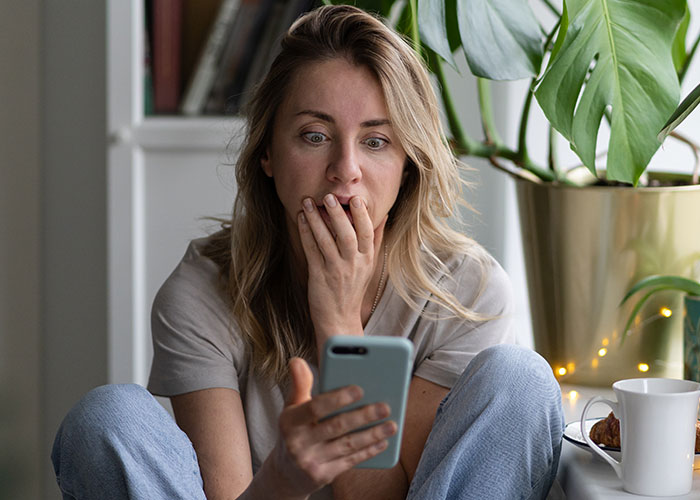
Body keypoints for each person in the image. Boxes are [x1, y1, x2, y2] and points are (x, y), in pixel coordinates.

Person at [51, 5, 564, 500]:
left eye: (377, 141)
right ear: (268, 154)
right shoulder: (201, 293)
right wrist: (284, 478)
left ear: (409, 162)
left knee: (520, 379)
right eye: (314, 136)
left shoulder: (467, 293)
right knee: (108, 416)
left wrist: (339, 321)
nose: (345, 169)